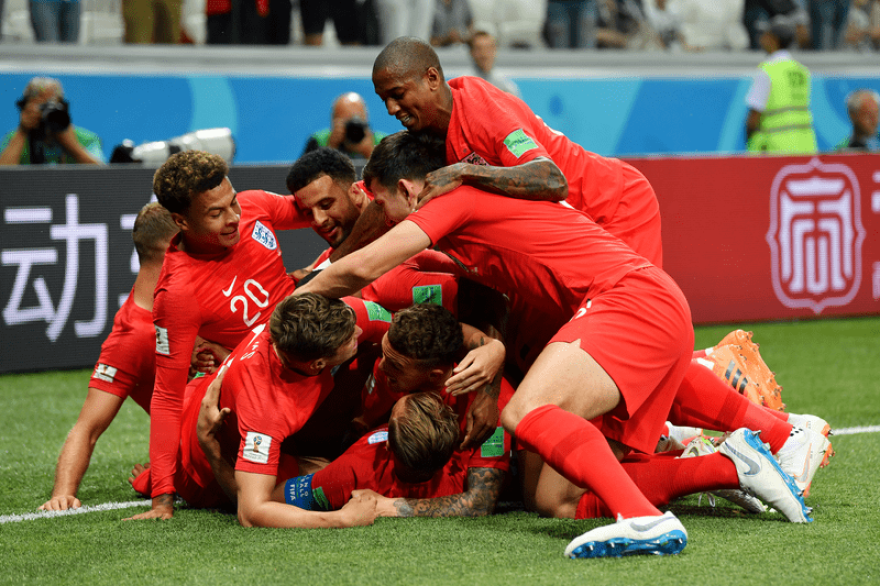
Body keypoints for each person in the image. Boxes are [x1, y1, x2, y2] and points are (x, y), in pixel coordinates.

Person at [295, 131, 821, 556]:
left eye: (382, 205)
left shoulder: (452, 199)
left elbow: (364, 263)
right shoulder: (469, 220)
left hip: (626, 296)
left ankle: (644, 517)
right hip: (634, 300)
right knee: (555, 498)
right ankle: (737, 462)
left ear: (411, 190)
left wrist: (288, 306)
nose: (380, 219)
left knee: (525, 411)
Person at [128, 150, 313, 521]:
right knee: (303, 485)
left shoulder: (254, 207)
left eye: (232, 203)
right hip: (243, 392)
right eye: (215, 214)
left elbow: (320, 208)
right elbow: (165, 394)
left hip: (301, 361)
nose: (233, 219)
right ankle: (175, 474)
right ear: (181, 220)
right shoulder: (177, 291)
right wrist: (162, 498)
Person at [132, 293, 388, 528]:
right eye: (349, 339)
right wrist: (341, 519)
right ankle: (157, 476)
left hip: (201, 396)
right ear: (317, 364)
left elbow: (392, 327)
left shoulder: (302, 320)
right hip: (200, 469)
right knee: (326, 480)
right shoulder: (265, 410)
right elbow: (251, 513)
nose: (358, 330)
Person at [39, 203, 178, 512]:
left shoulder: (196, 295)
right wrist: (63, 493)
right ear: (173, 247)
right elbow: (87, 428)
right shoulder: (132, 337)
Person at [745, 17, 818, 154]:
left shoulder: (768, 70)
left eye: (765, 35)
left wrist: (751, 144)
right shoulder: (802, 71)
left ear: (773, 40)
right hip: (806, 145)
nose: (762, 39)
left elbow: (754, 116)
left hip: (777, 148)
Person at [0, 78, 104, 166]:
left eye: (51, 106)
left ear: (63, 108)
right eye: (40, 106)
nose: (45, 114)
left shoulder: (86, 138)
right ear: (24, 109)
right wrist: (22, 132)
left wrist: (72, 145)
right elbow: (3, 176)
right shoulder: (13, 139)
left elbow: (105, 176)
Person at [302, 93, 387, 161]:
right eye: (347, 122)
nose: (353, 129)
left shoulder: (384, 142)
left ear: (366, 120)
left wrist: (371, 154)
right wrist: (329, 150)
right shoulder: (319, 141)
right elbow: (303, 178)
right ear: (333, 121)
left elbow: (392, 179)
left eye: (358, 122)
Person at [468, 31, 521, 98]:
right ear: (471, 52)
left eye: (488, 48)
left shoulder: (507, 88)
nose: (484, 54)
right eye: (479, 49)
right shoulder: (462, 86)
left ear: (495, 50)